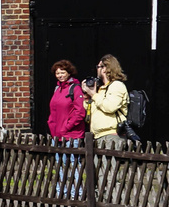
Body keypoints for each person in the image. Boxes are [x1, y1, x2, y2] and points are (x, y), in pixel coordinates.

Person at [47, 59, 86, 197]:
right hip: (57, 134)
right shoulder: (57, 89)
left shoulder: (74, 88)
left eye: (62, 72)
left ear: (69, 72)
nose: (60, 75)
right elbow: (53, 110)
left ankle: (79, 193)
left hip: (72, 134)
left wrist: (67, 127)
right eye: (57, 73)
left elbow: (80, 112)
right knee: (59, 166)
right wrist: (52, 125)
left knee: (74, 165)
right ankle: (61, 192)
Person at [83, 54, 130, 149]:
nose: (97, 69)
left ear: (105, 68)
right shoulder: (101, 89)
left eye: (98, 67)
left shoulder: (117, 86)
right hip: (98, 136)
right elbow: (91, 110)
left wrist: (93, 95)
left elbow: (110, 107)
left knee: (110, 164)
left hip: (111, 136)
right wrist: (86, 97)